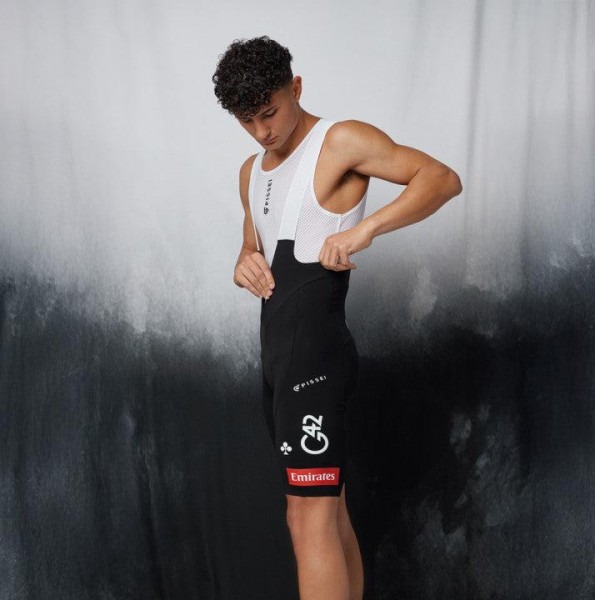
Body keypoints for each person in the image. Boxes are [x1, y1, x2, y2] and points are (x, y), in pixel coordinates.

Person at [212, 35, 462, 600]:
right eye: (247, 121)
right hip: (277, 363)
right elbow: (253, 244)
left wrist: (364, 230)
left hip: (316, 360)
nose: (261, 131)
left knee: (309, 520)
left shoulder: (340, 140)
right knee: (323, 513)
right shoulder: (251, 171)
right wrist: (242, 261)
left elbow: (442, 178)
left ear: (296, 88)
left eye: (269, 112)